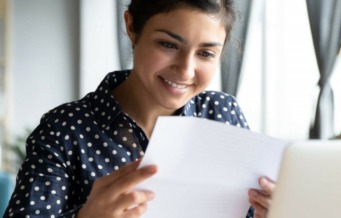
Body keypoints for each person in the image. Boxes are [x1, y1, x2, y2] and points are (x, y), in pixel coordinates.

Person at [4, 0, 275, 217]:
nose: (185, 70)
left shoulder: (222, 113)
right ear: (132, 27)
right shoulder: (63, 128)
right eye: (168, 44)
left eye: (205, 53)